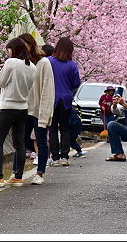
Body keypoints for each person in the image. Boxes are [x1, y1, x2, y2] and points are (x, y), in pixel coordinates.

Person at [0, 38, 36, 188]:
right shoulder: (32, 66)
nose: (8, 53)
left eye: (9, 50)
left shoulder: (11, 63)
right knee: (19, 144)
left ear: (14, 50)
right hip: (23, 109)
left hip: (8, 108)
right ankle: (17, 177)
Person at [20, 33, 53, 185]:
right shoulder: (21, 63)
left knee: (41, 141)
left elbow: (47, 89)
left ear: (31, 44)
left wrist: (45, 113)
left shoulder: (44, 63)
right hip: (23, 109)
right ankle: (17, 173)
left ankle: (40, 173)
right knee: (21, 141)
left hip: (38, 109)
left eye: (24, 44)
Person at [47, 38, 81, 167]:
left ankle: (55, 158)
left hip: (52, 99)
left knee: (53, 129)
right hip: (66, 99)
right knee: (65, 128)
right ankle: (64, 157)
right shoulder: (72, 65)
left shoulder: (49, 62)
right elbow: (76, 83)